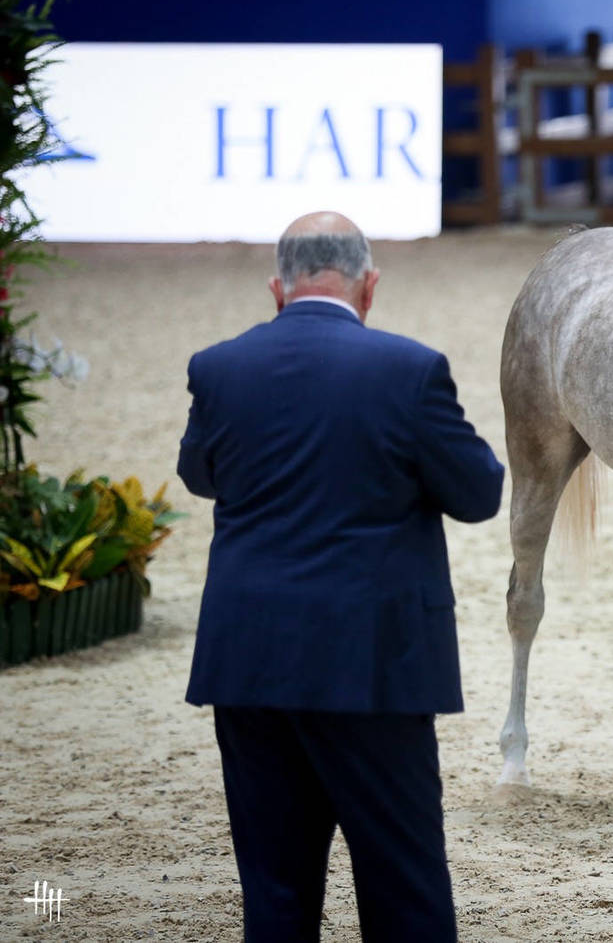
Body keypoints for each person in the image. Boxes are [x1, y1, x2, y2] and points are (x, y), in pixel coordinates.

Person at [178, 211, 504, 941]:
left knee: (276, 890)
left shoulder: (217, 367)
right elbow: (479, 493)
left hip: (250, 662)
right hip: (373, 665)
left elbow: (200, 474)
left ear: (277, 287)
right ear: (369, 285)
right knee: (404, 885)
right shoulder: (410, 369)